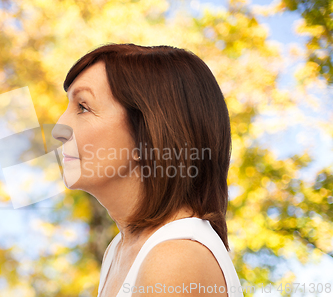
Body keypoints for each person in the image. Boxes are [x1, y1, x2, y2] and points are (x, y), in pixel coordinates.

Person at [52, 43, 243, 297]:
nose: (58, 128)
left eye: (83, 107)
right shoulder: (120, 250)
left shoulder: (175, 258)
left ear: (149, 131)